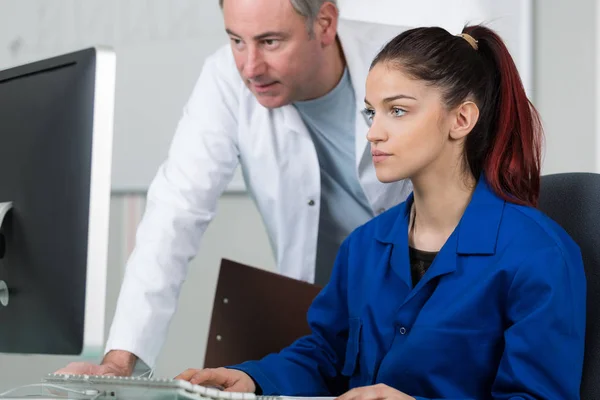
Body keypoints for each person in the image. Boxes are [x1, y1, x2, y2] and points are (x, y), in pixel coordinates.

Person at [173, 25, 587, 399]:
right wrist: (254, 379)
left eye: (398, 110)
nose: (374, 131)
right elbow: (325, 356)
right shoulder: (364, 246)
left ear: (461, 119)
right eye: (372, 112)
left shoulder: (537, 254)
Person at [56, 0, 412, 376]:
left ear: (324, 23)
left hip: (424, 306)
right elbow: (174, 214)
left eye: (270, 42)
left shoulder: (405, 61)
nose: (250, 67)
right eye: (236, 41)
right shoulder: (225, 79)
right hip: (324, 322)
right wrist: (119, 362)